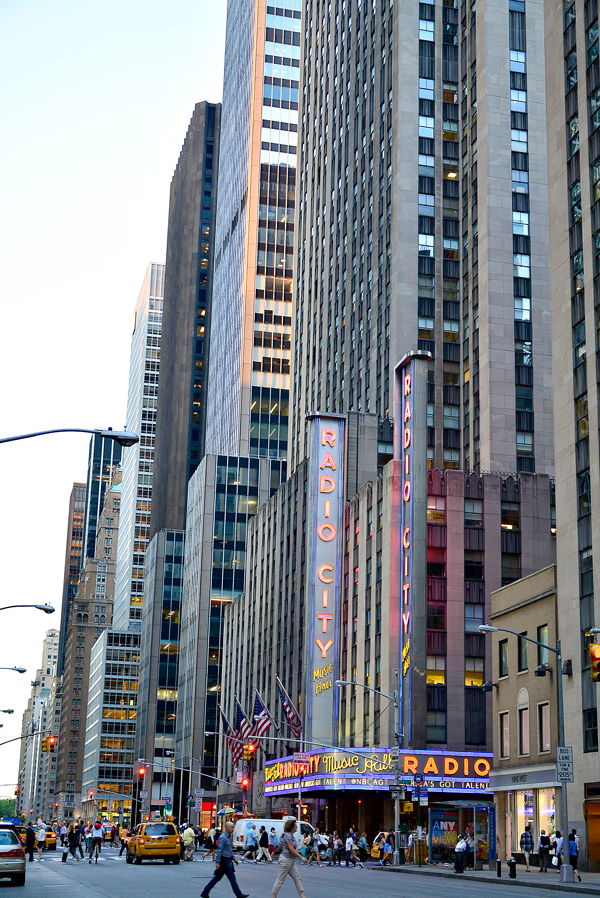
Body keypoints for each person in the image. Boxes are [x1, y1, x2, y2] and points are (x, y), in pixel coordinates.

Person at [200, 820, 248, 898]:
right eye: (231, 827)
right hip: (224, 860)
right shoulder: (223, 837)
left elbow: (228, 849)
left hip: (227, 860)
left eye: (233, 827)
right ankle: (238, 894)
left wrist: (233, 858)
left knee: (217, 877)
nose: (233, 829)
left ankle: (205, 892)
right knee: (231, 878)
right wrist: (218, 862)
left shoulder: (228, 837)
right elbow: (220, 851)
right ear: (226, 828)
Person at [271, 818, 310, 898]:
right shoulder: (288, 835)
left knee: (297, 877)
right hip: (286, 860)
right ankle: (274, 896)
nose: (297, 827)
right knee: (280, 880)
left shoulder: (290, 835)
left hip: (290, 861)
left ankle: (302, 894)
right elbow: (291, 848)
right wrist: (301, 857)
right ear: (292, 827)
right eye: (295, 826)